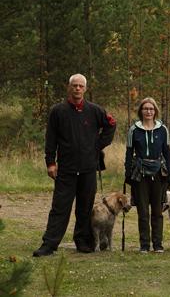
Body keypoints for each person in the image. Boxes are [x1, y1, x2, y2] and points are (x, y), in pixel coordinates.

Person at [33, 74, 116, 257]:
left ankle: (84, 242)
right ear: (69, 87)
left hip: (88, 168)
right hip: (66, 169)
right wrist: (50, 162)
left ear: (85, 89)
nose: (77, 88)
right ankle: (49, 244)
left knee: (84, 208)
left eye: (81, 86)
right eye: (74, 85)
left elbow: (111, 124)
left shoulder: (94, 110)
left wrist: (97, 144)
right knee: (60, 207)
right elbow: (51, 139)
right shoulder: (58, 111)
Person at [124, 97, 170, 253]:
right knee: (143, 211)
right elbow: (129, 153)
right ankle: (144, 245)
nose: (148, 111)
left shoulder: (162, 129)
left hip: (159, 173)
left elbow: (167, 152)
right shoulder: (134, 130)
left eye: (151, 109)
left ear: (155, 111)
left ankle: (158, 245)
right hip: (140, 174)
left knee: (157, 211)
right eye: (145, 108)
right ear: (141, 111)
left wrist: (169, 173)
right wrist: (128, 174)